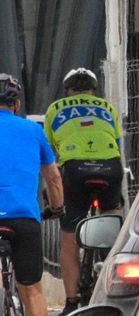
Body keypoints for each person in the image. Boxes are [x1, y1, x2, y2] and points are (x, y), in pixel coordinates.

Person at [46, 68, 124, 312]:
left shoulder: (55, 109)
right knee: (114, 222)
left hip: (75, 169)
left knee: (69, 238)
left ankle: (71, 303)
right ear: (94, 89)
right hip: (110, 168)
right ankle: (116, 287)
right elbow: (118, 146)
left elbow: (51, 155)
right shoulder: (108, 108)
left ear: (67, 89)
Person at [0, 74, 64, 316]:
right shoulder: (32, 130)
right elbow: (54, 178)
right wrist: (57, 208)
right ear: (16, 104)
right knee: (33, 290)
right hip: (24, 220)